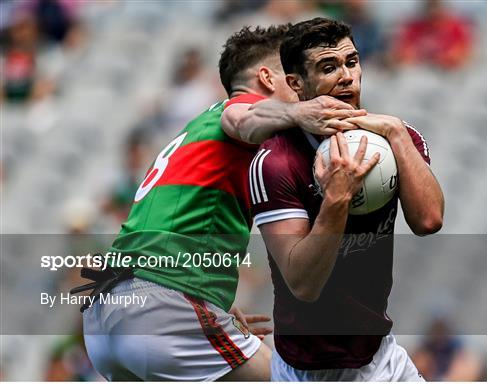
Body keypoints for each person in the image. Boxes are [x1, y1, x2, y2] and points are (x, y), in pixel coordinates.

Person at [80, 24, 364, 381]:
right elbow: (242, 118)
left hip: (107, 313)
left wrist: (217, 302)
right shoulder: (241, 110)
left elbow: (164, 224)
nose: (299, 88)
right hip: (161, 305)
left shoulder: (197, 130)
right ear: (266, 77)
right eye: (291, 77)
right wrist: (296, 114)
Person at [249, 17, 444, 381]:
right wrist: (337, 198)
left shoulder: (398, 140)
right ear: (296, 84)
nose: (346, 76)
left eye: (351, 62)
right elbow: (303, 284)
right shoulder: (276, 162)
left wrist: (397, 133)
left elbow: (429, 221)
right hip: (310, 370)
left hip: (382, 356)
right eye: (328, 67)